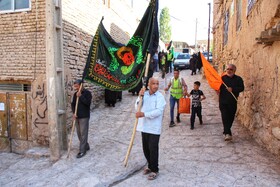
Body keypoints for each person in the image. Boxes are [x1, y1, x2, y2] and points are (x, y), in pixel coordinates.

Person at [135, 77, 166, 180]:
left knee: (153, 149)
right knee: (146, 149)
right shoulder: (145, 95)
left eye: (157, 84)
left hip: (154, 128)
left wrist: (144, 114)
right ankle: (150, 165)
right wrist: (140, 96)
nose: (156, 86)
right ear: (149, 84)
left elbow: (158, 112)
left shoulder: (160, 97)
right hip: (144, 127)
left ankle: (154, 170)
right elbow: (137, 107)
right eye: (154, 83)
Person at [218, 64, 244, 141]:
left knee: (231, 118)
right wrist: (217, 89)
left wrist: (233, 89)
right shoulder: (222, 79)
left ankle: (226, 131)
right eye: (228, 69)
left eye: (231, 69)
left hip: (232, 102)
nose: (229, 71)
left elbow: (241, 88)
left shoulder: (238, 79)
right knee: (225, 116)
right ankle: (227, 133)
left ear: (234, 71)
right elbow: (217, 86)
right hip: (223, 101)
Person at [71, 79, 92, 158]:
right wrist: (74, 113)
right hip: (77, 116)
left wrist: (81, 96)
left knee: (83, 133)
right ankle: (86, 145)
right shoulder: (75, 94)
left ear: (81, 85)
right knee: (79, 133)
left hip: (84, 116)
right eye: (75, 86)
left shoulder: (87, 93)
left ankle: (82, 151)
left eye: (77, 86)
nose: (75, 88)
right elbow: (73, 104)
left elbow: (88, 103)